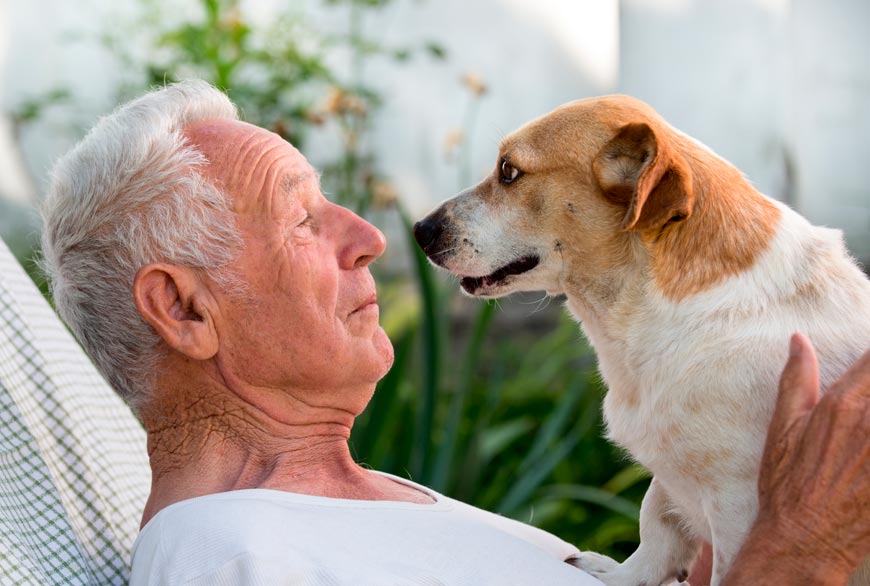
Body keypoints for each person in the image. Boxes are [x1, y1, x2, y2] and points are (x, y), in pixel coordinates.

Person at [39, 80, 869, 585]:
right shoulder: (231, 554)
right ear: (184, 310)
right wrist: (798, 556)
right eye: (302, 219)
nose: (367, 234)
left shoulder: (368, 514)